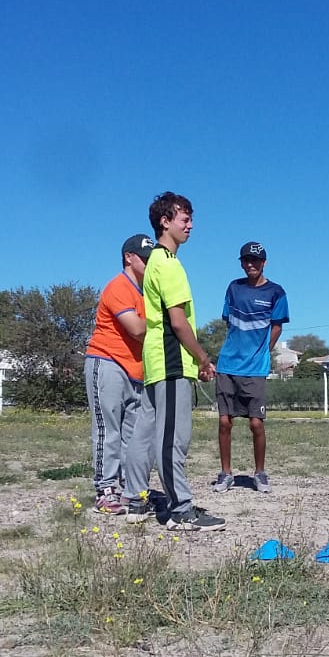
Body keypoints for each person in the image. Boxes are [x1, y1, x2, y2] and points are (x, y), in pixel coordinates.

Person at [121, 192, 225, 531]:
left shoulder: (157, 264)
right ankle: (181, 510)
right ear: (165, 222)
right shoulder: (167, 263)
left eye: (191, 217)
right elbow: (178, 322)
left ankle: (134, 499)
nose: (190, 224)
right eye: (184, 218)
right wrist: (203, 358)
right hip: (170, 362)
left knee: (146, 433)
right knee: (172, 438)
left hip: (158, 362)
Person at [84, 234, 156, 514]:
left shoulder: (147, 292)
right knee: (107, 430)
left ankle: (130, 487)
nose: (149, 264)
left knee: (134, 434)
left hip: (136, 369)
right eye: (145, 259)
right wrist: (163, 322)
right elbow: (137, 329)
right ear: (129, 257)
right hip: (107, 362)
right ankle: (106, 489)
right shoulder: (118, 287)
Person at [212, 241, 290, 494]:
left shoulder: (276, 292)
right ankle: (226, 474)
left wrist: (263, 350)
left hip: (255, 369)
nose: (250, 264)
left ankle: (260, 473)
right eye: (246, 260)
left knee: (256, 423)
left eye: (255, 260)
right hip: (227, 365)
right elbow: (229, 322)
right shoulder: (233, 288)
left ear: (264, 263)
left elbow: (277, 326)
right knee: (225, 421)